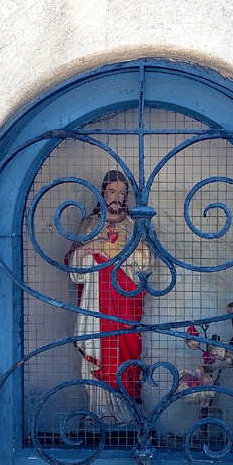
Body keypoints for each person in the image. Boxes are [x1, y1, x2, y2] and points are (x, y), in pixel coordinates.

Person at [66, 170, 152, 424]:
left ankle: (128, 412)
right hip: (97, 302)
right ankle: (100, 410)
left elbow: (147, 264)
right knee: (99, 349)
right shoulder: (90, 224)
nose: (117, 197)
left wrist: (139, 250)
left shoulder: (135, 224)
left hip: (126, 299)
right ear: (103, 193)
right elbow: (74, 265)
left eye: (122, 193)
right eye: (112, 191)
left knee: (128, 349)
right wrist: (89, 250)